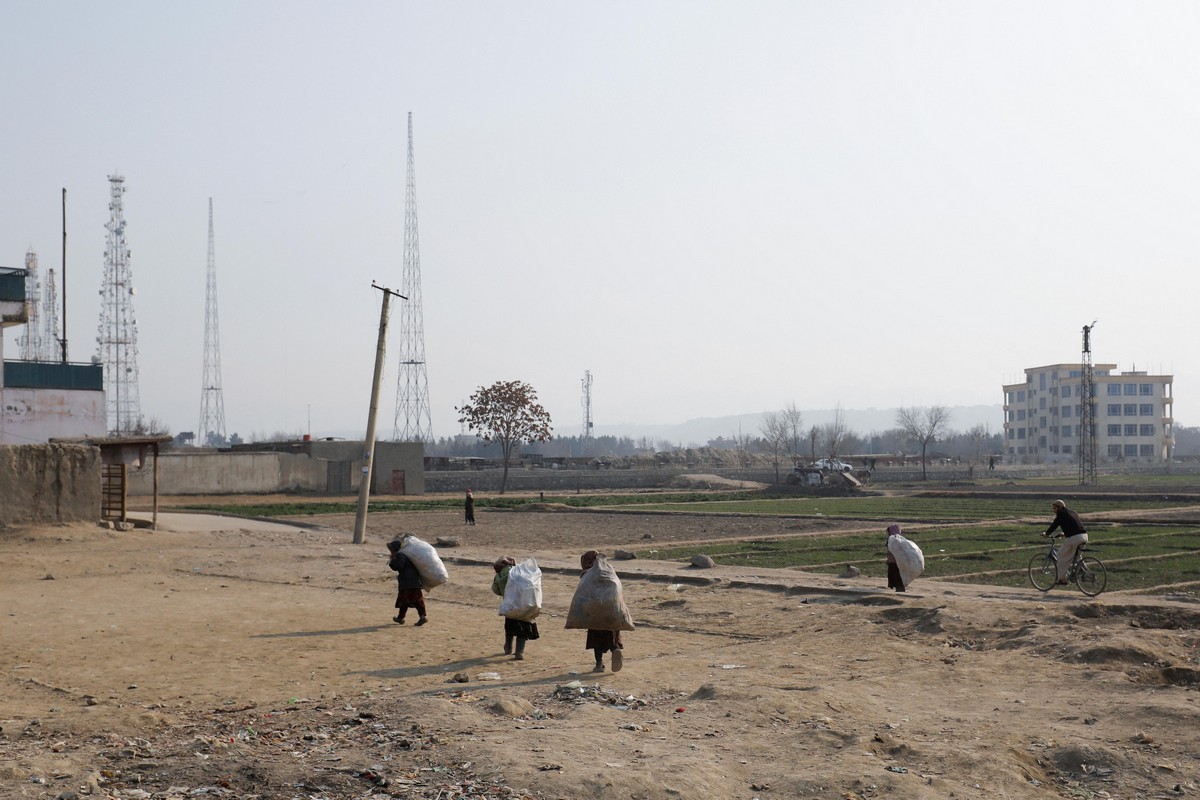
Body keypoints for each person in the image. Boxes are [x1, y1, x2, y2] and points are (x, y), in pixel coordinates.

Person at [580, 550, 623, 673]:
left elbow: (582, 594)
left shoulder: (587, 574)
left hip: (595, 612)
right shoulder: (609, 570)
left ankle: (599, 664)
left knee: (596, 639)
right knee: (612, 634)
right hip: (612, 610)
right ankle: (615, 650)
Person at [492, 556, 539, 660]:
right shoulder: (518, 570)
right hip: (524, 605)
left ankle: (508, 648)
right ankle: (519, 652)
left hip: (510, 606)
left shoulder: (499, 575)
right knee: (522, 630)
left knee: (509, 629)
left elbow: (495, 590)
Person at [1043, 499, 1088, 584]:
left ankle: (1062, 579)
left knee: (1060, 556)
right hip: (1084, 536)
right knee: (1077, 556)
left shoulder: (1060, 515)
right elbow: (1074, 525)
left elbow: (1054, 526)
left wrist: (1046, 534)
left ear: (1060, 508)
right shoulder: (1073, 512)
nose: (1054, 510)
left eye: (1054, 508)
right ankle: (1083, 570)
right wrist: (1065, 533)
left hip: (1074, 538)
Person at [386, 538, 428, 626]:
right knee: (408, 600)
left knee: (409, 600)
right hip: (412, 581)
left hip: (407, 582)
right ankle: (402, 618)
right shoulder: (403, 555)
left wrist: (392, 560)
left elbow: (399, 566)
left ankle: (419, 617)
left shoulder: (401, 555)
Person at [885, 524, 905, 592]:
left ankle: (899, 589)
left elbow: (890, 551)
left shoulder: (892, 540)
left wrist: (889, 559)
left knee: (896, 575)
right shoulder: (901, 540)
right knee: (897, 575)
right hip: (899, 561)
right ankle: (899, 588)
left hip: (894, 561)